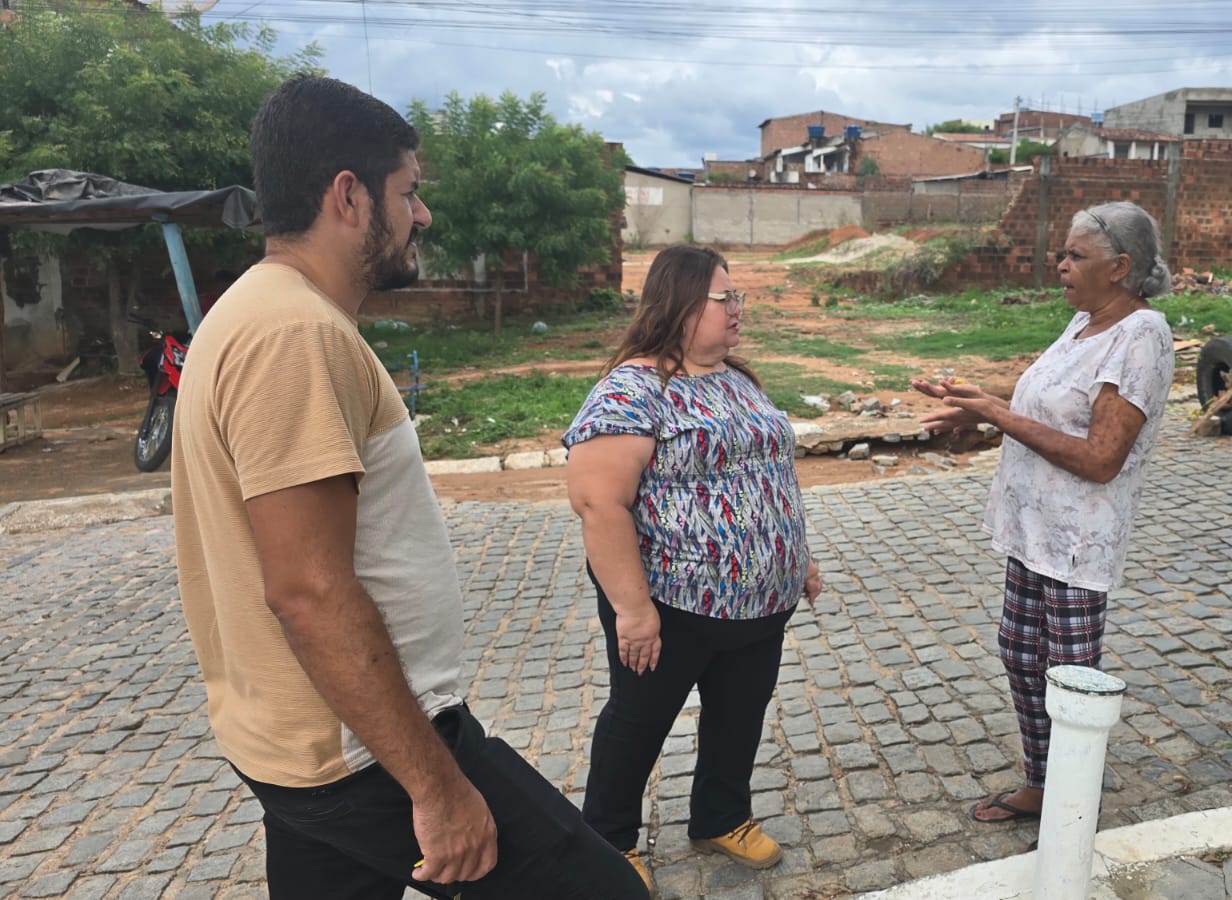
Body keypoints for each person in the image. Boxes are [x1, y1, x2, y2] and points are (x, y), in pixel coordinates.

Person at [170, 75, 646, 900]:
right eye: (409, 191)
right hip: (362, 753)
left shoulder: (251, 309)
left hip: (302, 743)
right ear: (349, 197)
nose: (421, 215)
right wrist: (436, 788)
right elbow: (309, 590)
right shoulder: (295, 334)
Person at [563, 244, 823, 894]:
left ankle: (721, 816)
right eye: (724, 298)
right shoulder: (632, 389)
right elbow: (598, 501)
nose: (738, 309)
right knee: (639, 720)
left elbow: (772, 474)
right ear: (678, 304)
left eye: (738, 297)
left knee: (740, 714)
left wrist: (800, 557)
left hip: (762, 605)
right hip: (669, 606)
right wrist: (632, 609)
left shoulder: (736, 378)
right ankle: (608, 839)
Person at [912, 201, 1175, 824]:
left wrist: (996, 413)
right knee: (1022, 655)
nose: (1060, 265)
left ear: (1120, 267)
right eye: (1063, 252)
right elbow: (1051, 413)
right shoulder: (1084, 323)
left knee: (1071, 678)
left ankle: (1073, 816)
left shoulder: (1139, 335)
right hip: (1035, 533)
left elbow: (1101, 458)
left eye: (1075, 256)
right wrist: (978, 411)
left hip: (1079, 543)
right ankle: (1042, 780)